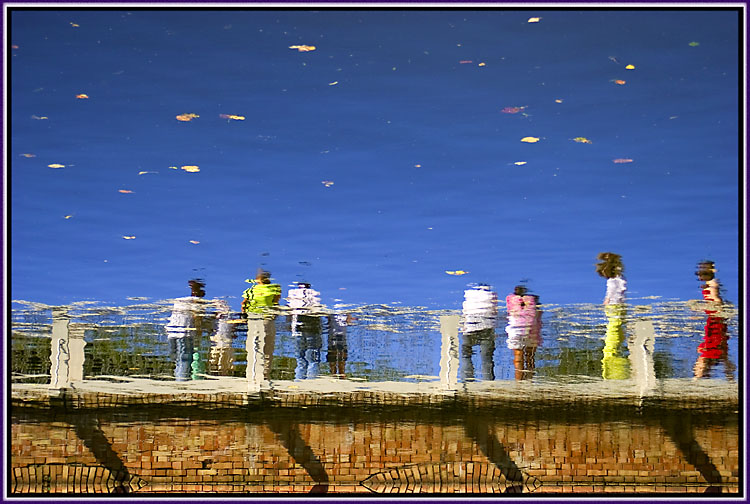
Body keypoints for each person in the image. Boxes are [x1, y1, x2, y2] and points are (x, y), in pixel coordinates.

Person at [693, 261, 735, 379]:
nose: (700, 275)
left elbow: (716, 301)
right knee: (718, 349)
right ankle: (730, 378)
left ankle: (697, 378)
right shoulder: (709, 283)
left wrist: (702, 309)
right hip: (713, 318)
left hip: (715, 318)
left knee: (709, 349)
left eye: (702, 272)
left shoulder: (712, 284)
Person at [166, 279, 209, 381]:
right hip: (184, 334)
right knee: (184, 359)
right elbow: (197, 320)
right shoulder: (198, 303)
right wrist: (199, 336)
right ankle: (182, 383)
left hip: (171, 332)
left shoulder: (180, 300)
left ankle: (179, 380)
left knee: (177, 358)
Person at [460, 284, 498, 381]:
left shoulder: (468, 293)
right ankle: (488, 384)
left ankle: (467, 383)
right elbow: (494, 312)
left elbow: (465, 311)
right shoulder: (491, 294)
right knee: (487, 358)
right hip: (487, 328)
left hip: (470, 327)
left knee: (466, 356)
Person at [505, 285, 540, 380]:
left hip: (516, 329)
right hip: (531, 328)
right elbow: (538, 314)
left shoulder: (510, 298)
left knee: (518, 358)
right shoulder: (533, 298)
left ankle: (520, 383)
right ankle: (528, 381)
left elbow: (509, 312)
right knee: (530, 357)